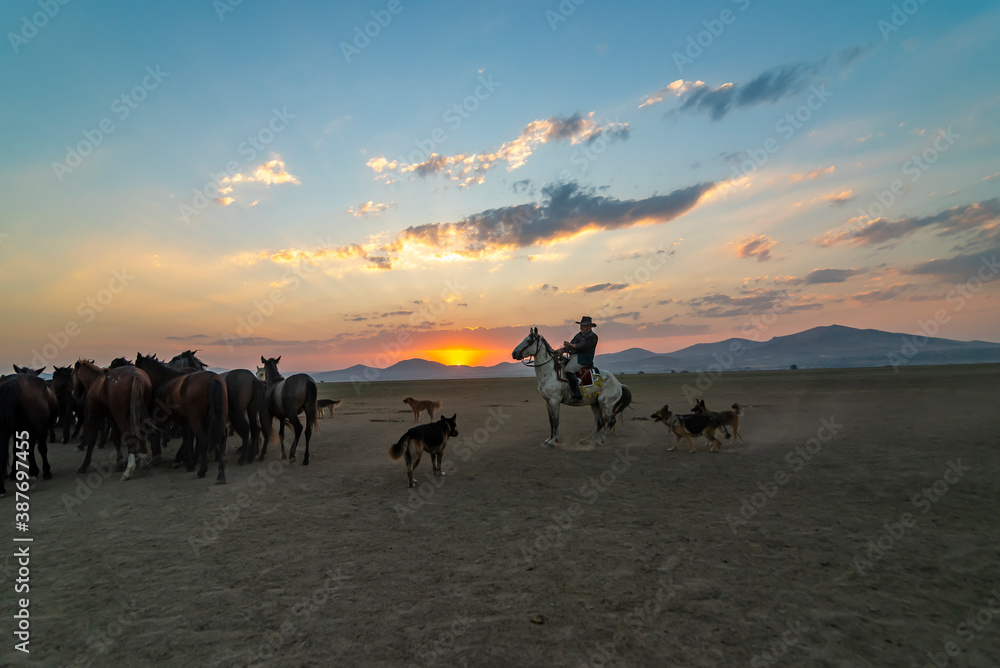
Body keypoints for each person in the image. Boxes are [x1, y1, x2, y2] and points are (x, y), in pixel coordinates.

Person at [562, 316, 598, 401]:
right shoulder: (578, 335)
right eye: (581, 325)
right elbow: (571, 345)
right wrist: (562, 350)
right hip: (575, 356)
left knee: (568, 370)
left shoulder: (593, 337)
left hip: (583, 358)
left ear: (589, 327)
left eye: (584, 325)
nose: (581, 327)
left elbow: (581, 347)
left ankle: (577, 395)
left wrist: (570, 345)